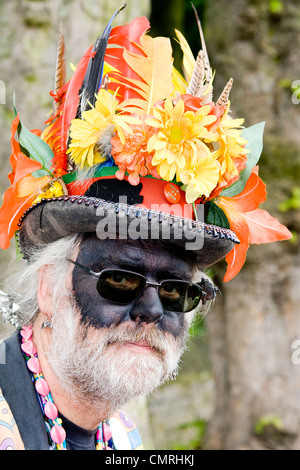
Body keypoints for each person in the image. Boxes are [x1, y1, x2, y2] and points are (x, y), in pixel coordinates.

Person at [0, 5, 291, 450]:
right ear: (47, 287)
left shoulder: (123, 436)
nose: (153, 311)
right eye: (119, 280)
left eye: (177, 291)